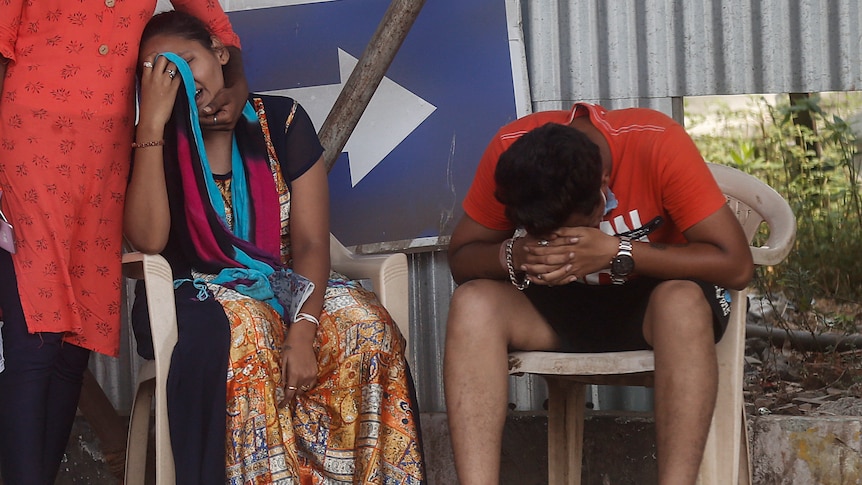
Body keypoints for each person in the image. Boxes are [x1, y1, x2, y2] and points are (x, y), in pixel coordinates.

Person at [125, 11, 425, 484]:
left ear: (220, 55)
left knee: (367, 328)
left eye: (186, 61)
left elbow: (308, 241)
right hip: (192, 293)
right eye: (160, 71)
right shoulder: (154, 139)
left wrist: (303, 329)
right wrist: (152, 124)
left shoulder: (280, 120)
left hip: (288, 280)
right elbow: (148, 240)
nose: (179, 77)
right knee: (248, 330)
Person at [0, 2, 246, 483]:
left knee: (74, 347)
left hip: (107, 158)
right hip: (28, 143)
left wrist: (236, 86)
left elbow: (217, 27)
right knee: (37, 340)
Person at [443, 105, 754, 484]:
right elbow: (461, 259)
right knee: (473, 303)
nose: (559, 243)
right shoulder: (512, 152)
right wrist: (517, 252)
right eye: (546, 235)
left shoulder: (656, 143)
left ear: (604, 186)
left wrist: (617, 251)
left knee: (683, 302)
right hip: (557, 310)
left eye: (573, 232)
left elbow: (737, 265)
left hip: (651, 309)